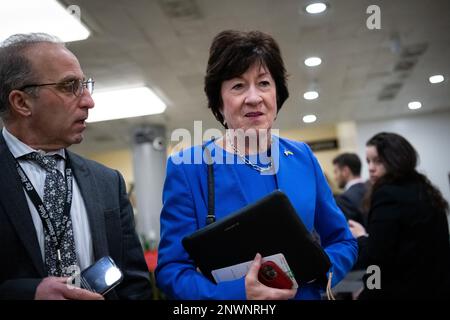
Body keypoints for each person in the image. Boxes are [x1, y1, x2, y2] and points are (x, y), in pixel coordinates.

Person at [155, 30, 357, 300]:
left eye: (263, 83)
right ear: (219, 101)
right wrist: (240, 294)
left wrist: (314, 272)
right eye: (238, 86)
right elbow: (172, 270)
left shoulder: (302, 157)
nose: (254, 97)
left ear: (277, 93)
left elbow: (343, 241)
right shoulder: (189, 168)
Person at [0, 33, 152, 300]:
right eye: (69, 86)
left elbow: (134, 285)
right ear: (21, 102)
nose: (88, 101)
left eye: (85, 85)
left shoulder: (107, 183)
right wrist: (29, 294)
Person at [348, 132, 450, 299]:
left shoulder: (387, 194)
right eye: (368, 161)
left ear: (396, 159)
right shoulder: (424, 188)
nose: (371, 167)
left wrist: (361, 237)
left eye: (378, 161)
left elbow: (377, 259)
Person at [332, 153, 368, 227]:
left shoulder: (344, 199)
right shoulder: (372, 189)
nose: (335, 177)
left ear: (345, 171)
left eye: (336, 172)